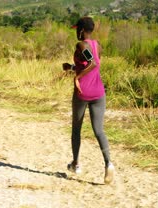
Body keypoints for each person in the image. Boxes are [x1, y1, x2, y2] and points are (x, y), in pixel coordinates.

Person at [62, 16, 115, 184]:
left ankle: (76, 164)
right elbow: (89, 64)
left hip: (82, 93)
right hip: (99, 93)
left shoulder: (81, 45)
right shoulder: (97, 45)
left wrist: (77, 78)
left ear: (83, 30)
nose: (76, 32)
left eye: (78, 29)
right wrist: (71, 68)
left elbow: (92, 63)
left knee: (76, 129)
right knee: (99, 130)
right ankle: (109, 164)